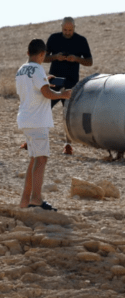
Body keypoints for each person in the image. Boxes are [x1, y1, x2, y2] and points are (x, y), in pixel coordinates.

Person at [16, 39, 71, 210]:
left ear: (28, 53)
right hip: (37, 121)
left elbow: (33, 88)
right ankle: (36, 199)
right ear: (42, 54)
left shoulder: (21, 69)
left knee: (34, 160)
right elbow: (46, 93)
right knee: (41, 159)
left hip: (25, 119)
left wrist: (45, 80)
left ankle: (25, 201)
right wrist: (62, 94)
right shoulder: (38, 69)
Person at [43, 17, 92, 155]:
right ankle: (35, 140)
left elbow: (89, 62)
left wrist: (76, 59)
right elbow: (44, 58)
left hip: (71, 81)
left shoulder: (81, 40)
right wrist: (55, 57)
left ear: (74, 28)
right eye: (65, 29)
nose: (68, 32)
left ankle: (68, 144)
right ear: (61, 27)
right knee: (44, 108)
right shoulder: (53, 38)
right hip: (54, 81)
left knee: (68, 113)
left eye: (70, 30)